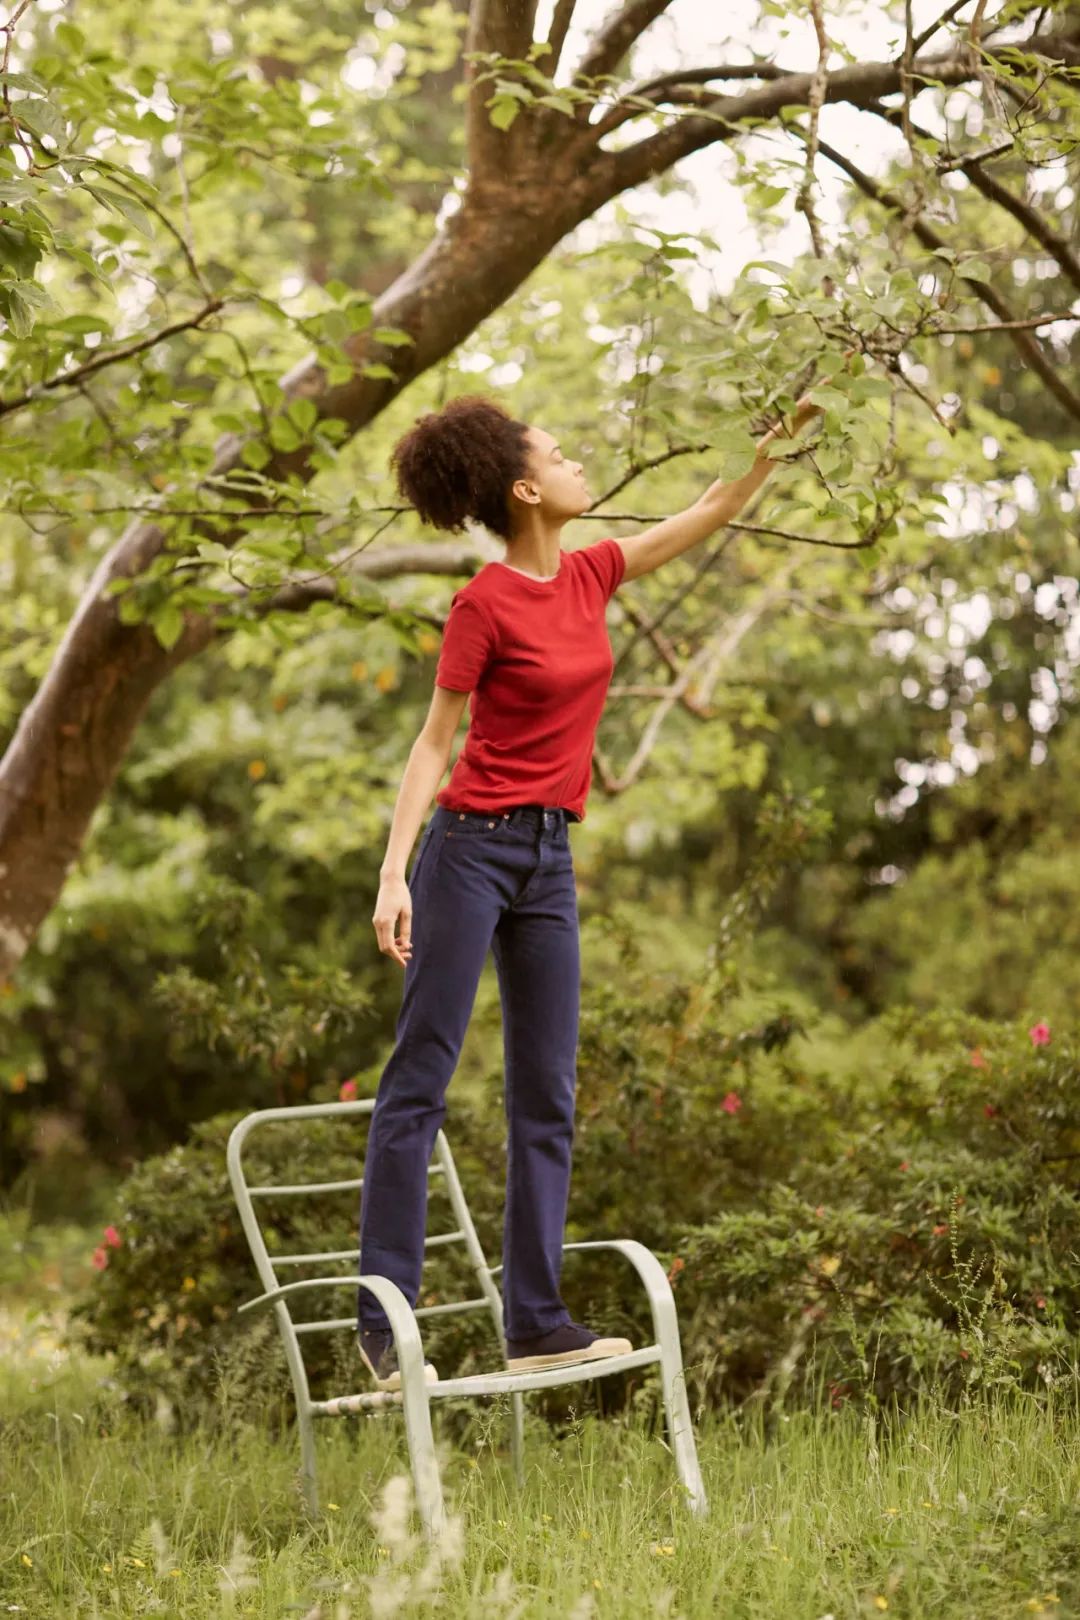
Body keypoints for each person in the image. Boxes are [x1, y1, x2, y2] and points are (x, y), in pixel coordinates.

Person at [356, 390, 823, 1391]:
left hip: (548, 862)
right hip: (469, 851)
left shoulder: (591, 573)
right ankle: (382, 1322)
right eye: (560, 453)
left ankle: (537, 1323)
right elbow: (436, 740)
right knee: (421, 1079)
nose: (578, 461)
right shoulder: (482, 603)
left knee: (548, 1093)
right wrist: (396, 872)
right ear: (526, 488)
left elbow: (705, 512)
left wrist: (770, 448)